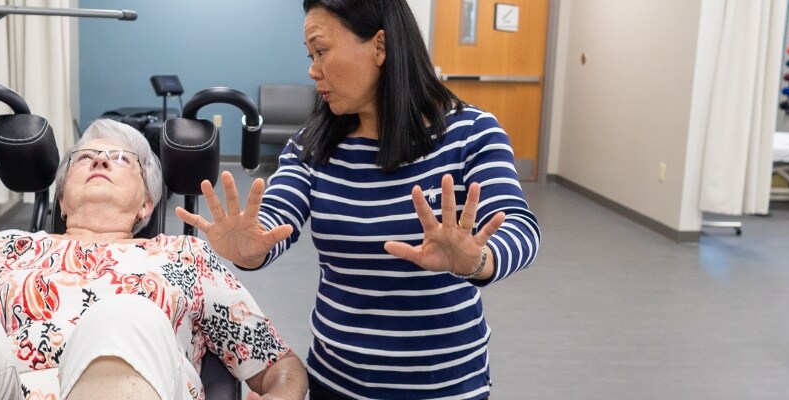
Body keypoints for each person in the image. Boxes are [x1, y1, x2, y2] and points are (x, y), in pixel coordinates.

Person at [174, 1, 540, 398]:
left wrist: (477, 260)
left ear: (379, 46)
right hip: (337, 382)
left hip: (445, 385)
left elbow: (520, 228)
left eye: (322, 51)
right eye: (310, 55)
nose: (312, 70)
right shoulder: (311, 146)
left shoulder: (472, 134)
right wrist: (249, 248)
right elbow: (274, 221)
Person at [0, 120, 308, 400]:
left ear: (146, 206)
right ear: (63, 201)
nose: (100, 162)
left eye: (120, 159)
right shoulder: (6, 246)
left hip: (139, 385)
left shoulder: (183, 254)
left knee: (124, 316)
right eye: (84, 158)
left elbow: (280, 365)